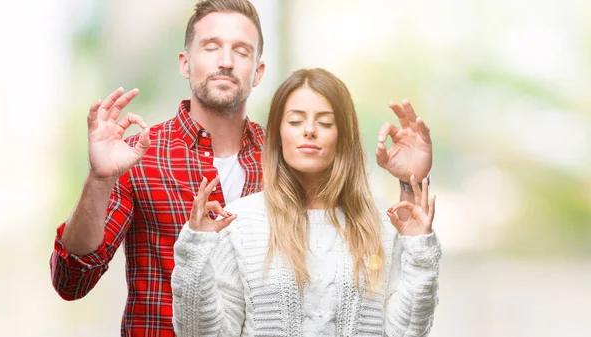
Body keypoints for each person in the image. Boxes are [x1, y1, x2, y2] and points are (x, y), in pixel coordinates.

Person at [50, 0, 267, 335]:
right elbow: (71, 282)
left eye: (241, 51)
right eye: (211, 47)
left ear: (258, 72)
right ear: (185, 63)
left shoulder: (282, 159)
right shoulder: (138, 156)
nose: (226, 61)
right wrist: (99, 177)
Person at [171, 68, 440, 336]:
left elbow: (407, 333)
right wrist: (195, 251)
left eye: (325, 122)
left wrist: (413, 191)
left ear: (344, 136)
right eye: (296, 121)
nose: (310, 130)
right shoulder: (239, 222)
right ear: (277, 134)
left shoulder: (383, 221)